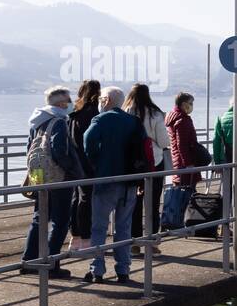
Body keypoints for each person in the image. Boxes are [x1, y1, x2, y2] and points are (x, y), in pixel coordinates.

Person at [82, 86, 144, 283]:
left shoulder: (101, 119)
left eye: (101, 99)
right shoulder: (134, 121)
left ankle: (97, 270)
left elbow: (88, 141)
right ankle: (123, 270)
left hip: (106, 180)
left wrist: (96, 162)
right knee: (124, 227)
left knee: (99, 227)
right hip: (129, 181)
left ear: (107, 100)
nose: (100, 102)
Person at [20, 86, 83, 278]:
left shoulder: (38, 121)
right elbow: (59, 151)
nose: (71, 103)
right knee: (60, 221)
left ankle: (28, 261)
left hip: (39, 176)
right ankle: (51, 264)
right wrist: (72, 170)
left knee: (39, 218)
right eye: (68, 99)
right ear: (62, 103)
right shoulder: (59, 121)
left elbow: (29, 148)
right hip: (59, 178)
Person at [124, 83, 170, 251]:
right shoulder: (155, 113)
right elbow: (164, 141)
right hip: (154, 162)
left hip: (132, 164)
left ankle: (134, 242)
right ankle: (151, 243)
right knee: (153, 203)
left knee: (133, 203)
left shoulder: (126, 112)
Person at [68, 79, 100, 250]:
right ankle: (87, 238)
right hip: (88, 163)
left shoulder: (74, 113)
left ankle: (75, 237)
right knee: (87, 200)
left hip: (75, 163)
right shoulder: (92, 114)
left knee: (76, 199)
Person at [165, 92, 202, 220]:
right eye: (190, 103)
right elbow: (182, 144)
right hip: (185, 163)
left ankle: (176, 219)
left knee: (180, 192)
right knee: (187, 192)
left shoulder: (172, 116)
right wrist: (188, 163)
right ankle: (184, 220)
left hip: (177, 161)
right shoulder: (182, 120)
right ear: (183, 104)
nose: (192, 106)